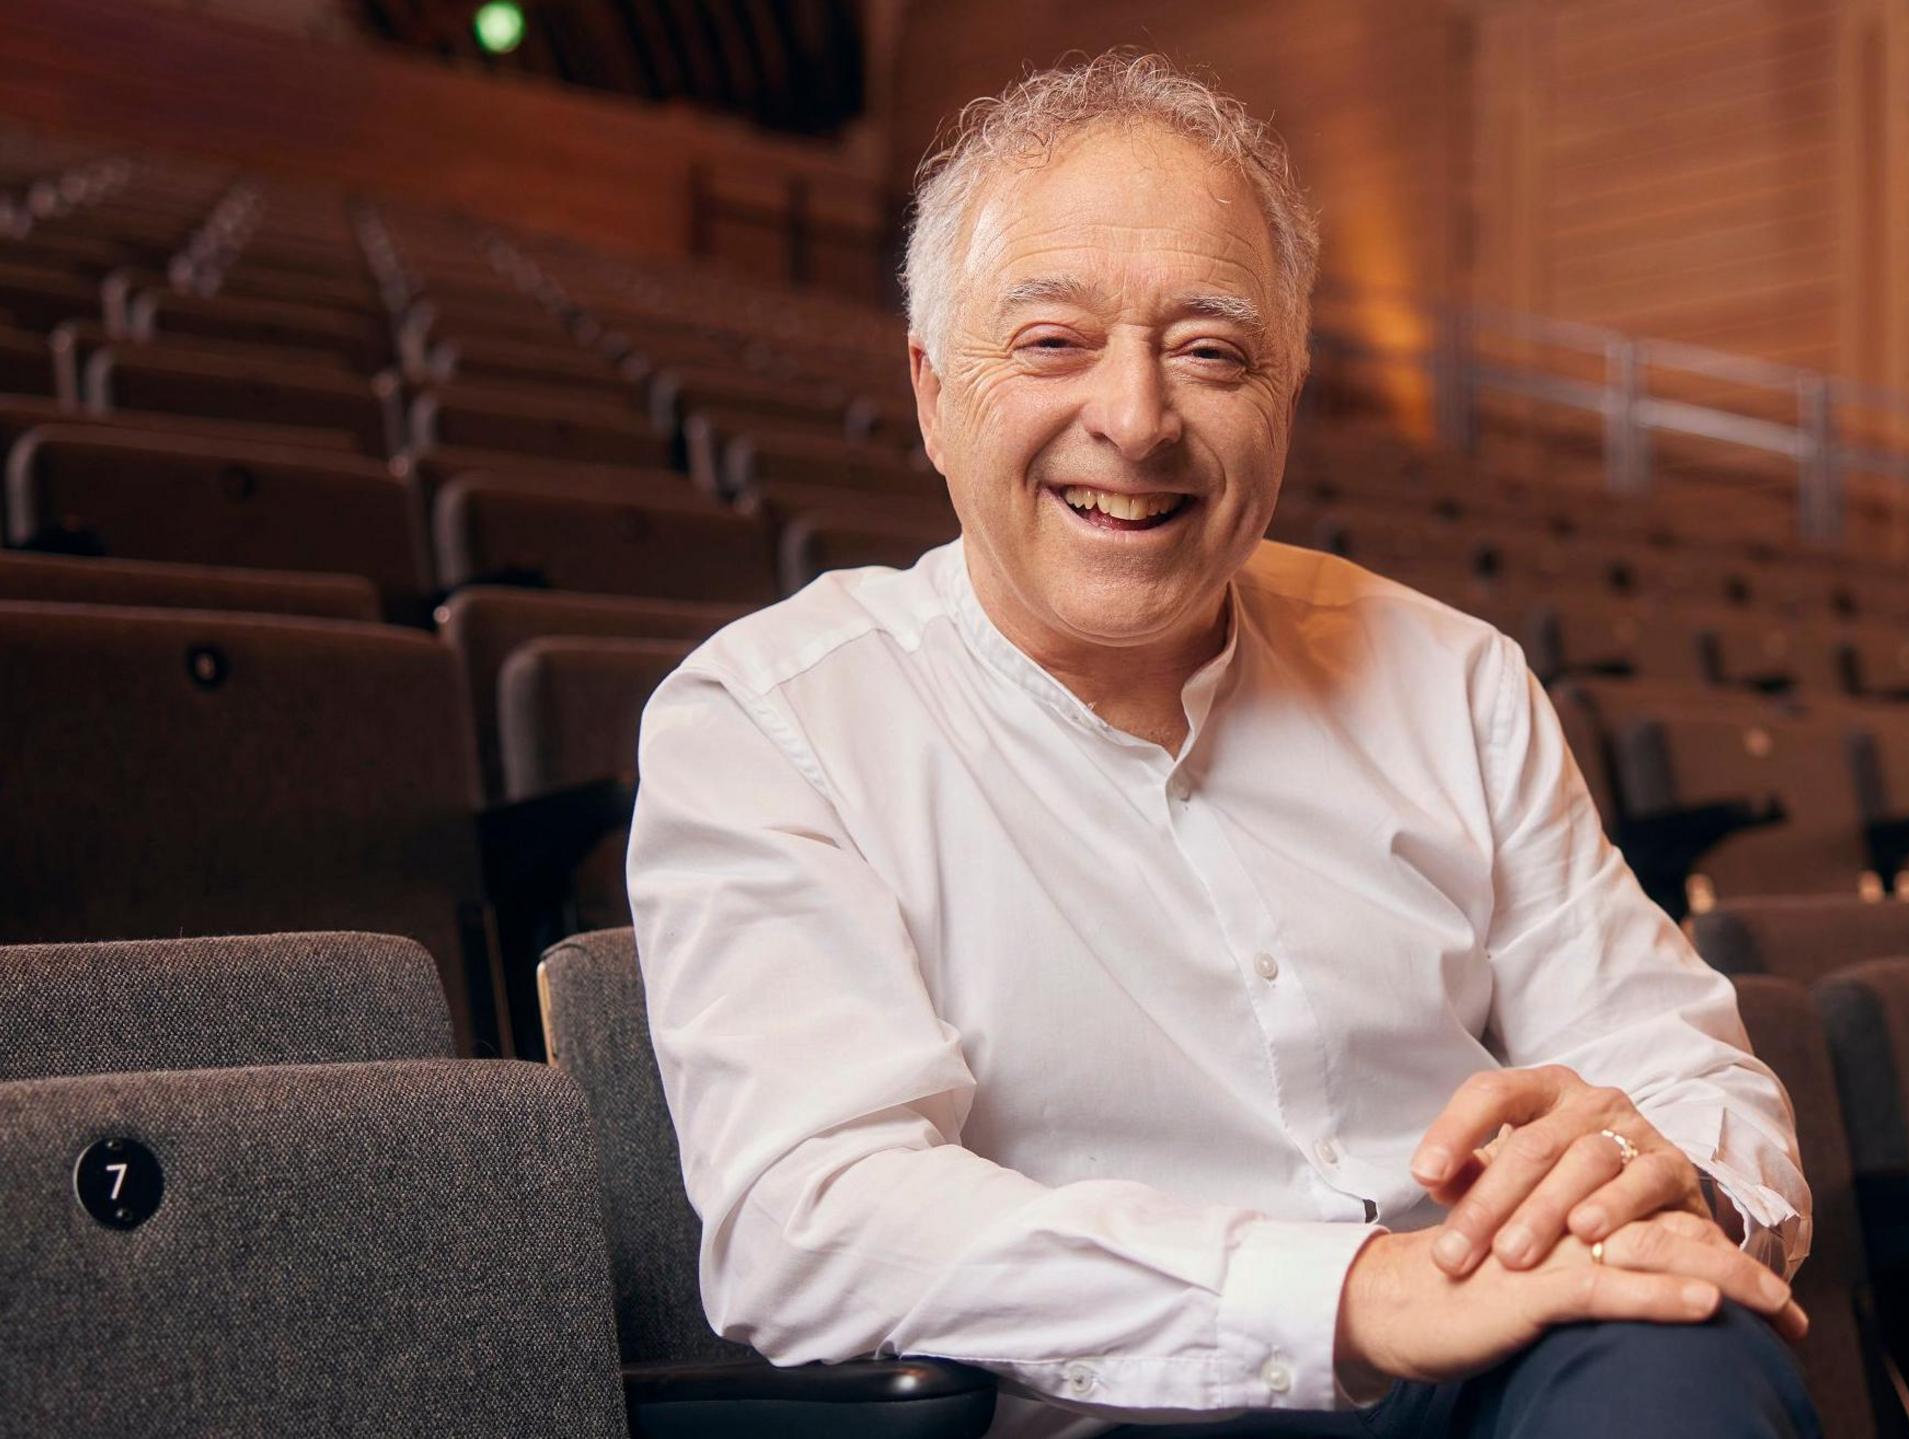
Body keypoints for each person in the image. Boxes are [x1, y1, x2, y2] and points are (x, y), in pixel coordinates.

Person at [627, 50, 1817, 1439]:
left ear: (1288, 392)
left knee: (1685, 1338)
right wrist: (1348, 1296)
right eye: (1054, 341)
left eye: (1211, 351)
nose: (1134, 420)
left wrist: (1668, 1179)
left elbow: (1679, 1053)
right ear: (933, 390)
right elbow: (813, 1219)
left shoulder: (1456, 677)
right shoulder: (770, 724)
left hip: (1497, 1368)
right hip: (1122, 1410)